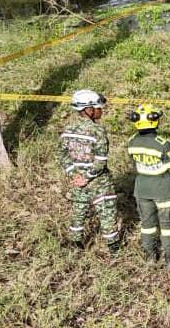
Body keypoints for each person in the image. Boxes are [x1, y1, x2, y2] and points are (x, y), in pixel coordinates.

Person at [60, 89, 119, 253]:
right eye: (99, 108)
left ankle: (75, 243)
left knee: (78, 210)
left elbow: (62, 155)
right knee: (107, 213)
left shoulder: (68, 130)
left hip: (77, 181)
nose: (102, 111)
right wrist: (87, 177)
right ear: (89, 110)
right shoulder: (98, 132)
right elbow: (100, 161)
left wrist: (74, 175)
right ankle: (113, 247)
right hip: (99, 182)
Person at [126, 104, 170, 266]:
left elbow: (133, 163)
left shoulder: (132, 142)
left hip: (142, 191)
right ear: (154, 122)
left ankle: (150, 257)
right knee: (167, 227)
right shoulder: (163, 144)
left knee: (147, 226)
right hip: (164, 192)